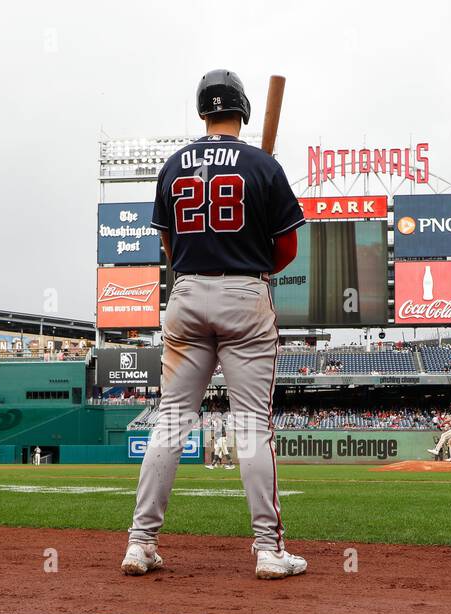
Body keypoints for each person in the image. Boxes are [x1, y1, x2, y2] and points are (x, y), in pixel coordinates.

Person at [122, 69, 306, 580]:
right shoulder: (262, 165)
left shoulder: (173, 164)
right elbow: (287, 247)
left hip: (185, 293)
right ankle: (268, 550)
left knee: (172, 422)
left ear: (202, 110)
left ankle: (140, 544)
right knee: (251, 425)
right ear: (242, 110)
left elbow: (168, 247)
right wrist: (254, 264)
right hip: (244, 293)